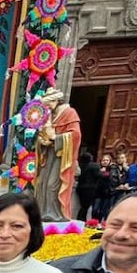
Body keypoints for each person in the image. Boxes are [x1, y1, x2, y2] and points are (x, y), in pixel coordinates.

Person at [33, 88, 82, 222]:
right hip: (49, 155)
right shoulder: (49, 116)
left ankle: (55, 214)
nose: (47, 107)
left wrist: (56, 138)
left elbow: (76, 135)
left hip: (61, 158)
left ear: (56, 101)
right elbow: (43, 135)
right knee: (41, 183)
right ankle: (41, 212)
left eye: (49, 104)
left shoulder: (69, 113)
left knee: (52, 185)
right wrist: (42, 142)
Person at [75, 152, 101, 221]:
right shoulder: (94, 166)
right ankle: (81, 219)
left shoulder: (80, 165)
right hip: (90, 189)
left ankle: (81, 219)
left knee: (83, 205)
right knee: (86, 206)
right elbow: (98, 175)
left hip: (80, 188)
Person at [93, 153, 119, 222]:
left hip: (107, 192)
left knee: (103, 210)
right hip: (97, 192)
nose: (105, 161)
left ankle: (99, 222)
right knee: (95, 209)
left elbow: (112, 179)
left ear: (110, 161)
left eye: (107, 160)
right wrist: (100, 173)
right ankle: (93, 221)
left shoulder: (113, 169)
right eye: (104, 160)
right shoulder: (97, 168)